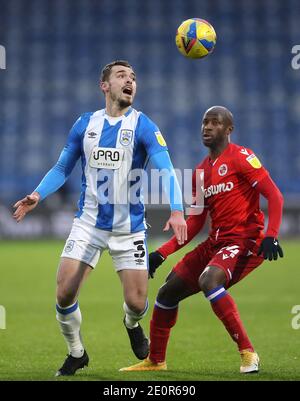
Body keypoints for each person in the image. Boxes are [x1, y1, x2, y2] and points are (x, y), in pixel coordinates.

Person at [13, 60, 187, 376]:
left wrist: (177, 209)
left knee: (136, 303)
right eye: (121, 75)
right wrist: (37, 194)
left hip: (129, 229)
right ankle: (76, 353)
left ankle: (131, 323)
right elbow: (62, 167)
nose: (130, 80)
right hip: (88, 224)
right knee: (64, 292)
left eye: (134, 76)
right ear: (104, 86)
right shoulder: (85, 124)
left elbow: (167, 170)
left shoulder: (144, 126)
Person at [120, 106, 284, 374]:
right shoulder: (199, 172)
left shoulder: (242, 157)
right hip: (216, 242)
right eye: (204, 122)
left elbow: (275, 196)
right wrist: (161, 253)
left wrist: (271, 236)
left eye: (215, 123)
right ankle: (156, 360)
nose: (207, 127)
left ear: (228, 129)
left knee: (209, 280)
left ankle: (248, 353)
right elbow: (195, 222)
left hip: (245, 239)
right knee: (167, 292)